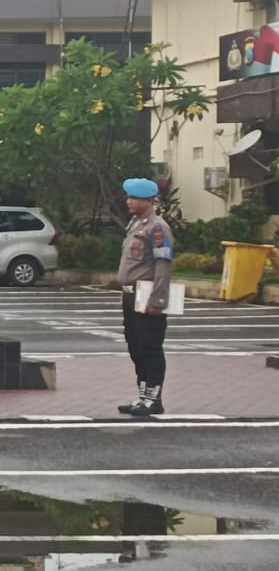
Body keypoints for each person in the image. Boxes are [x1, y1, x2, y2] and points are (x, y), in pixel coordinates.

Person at [117, 177, 175, 416]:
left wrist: (158, 299)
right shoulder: (135, 223)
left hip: (147, 294)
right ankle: (143, 396)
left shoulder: (157, 227)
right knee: (136, 348)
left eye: (134, 198)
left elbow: (163, 264)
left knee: (150, 348)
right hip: (131, 295)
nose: (129, 201)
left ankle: (154, 399)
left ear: (149, 201)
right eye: (129, 197)